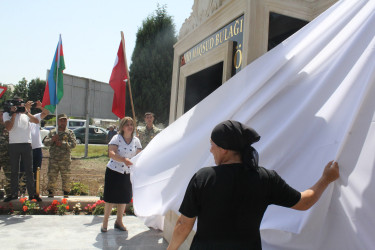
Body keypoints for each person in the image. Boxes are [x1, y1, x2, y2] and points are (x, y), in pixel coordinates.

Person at [167, 120, 340, 250]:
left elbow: (184, 225)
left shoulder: (203, 178)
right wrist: (326, 179)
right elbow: (304, 202)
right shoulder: (265, 178)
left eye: (212, 144)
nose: (211, 149)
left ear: (224, 148)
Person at [101, 117, 142, 232]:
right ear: (122, 127)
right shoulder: (117, 138)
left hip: (127, 173)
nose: (130, 127)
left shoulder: (136, 140)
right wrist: (124, 160)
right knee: (110, 198)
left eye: (131, 124)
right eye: (127, 124)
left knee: (124, 198)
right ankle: (105, 222)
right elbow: (111, 153)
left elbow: (140, 156)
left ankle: (119, 221)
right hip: (114, 171)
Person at [2, 97, 41, 202]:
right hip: (14, 144)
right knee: (14, 170)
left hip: (26, 144)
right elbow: (9, 127)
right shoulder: (7, 114)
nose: (20, 107)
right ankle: (13, 193)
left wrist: (26, 112)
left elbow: (36, 121)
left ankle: (32, 195)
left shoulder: (25, 113)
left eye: (21, 105)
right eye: (18, 106)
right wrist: (14, 114)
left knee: (29, 170)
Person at [19, 100, 50, 194]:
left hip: (36, 148)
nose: (27, 108)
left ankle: (35, 193)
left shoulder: (35, 116)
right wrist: (25, 112)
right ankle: (21, 193)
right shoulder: (20, 118)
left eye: (28, 106)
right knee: (23, 171)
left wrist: (40, 106)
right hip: (25, 149)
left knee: (36, 171)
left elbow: (46, 113)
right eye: (25, 106)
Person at [43, 113, 76, 198]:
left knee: (66, 178)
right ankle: (51, 194)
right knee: (52, 177)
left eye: (64, 120)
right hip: (54, 159)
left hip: (65, 160)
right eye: (61, 120)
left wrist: (62, 144)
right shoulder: (53, 132)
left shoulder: (69, 133)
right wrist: (52, 139)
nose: (63, 122)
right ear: (58, 121)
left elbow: (73, 144)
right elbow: (45, 143)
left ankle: (66, 194)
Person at [0, 108, 11, 199]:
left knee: (9, 176)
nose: (1, 117)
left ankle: (9, 194)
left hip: (7, 156)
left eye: (2, 115)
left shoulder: (9, 126)